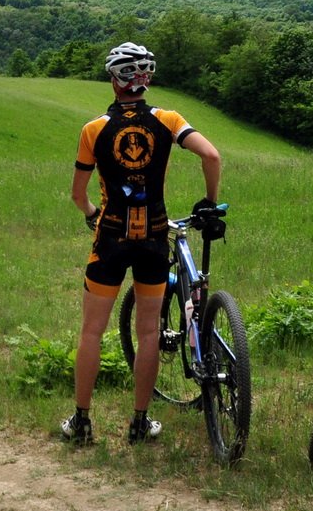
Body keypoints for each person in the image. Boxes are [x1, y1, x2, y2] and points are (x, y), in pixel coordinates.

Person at [62, 41, 223, 446]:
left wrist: (90, 214)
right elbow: (212, 155)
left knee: (91, 332)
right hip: (153, 236)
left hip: (110, 237)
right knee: (149, 332)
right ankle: (139, 422)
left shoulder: (93, 129)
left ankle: (82, 423)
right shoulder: (167, 120)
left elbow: (78, 195)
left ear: (114, 81)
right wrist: (208, 200)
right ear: (145, 79)